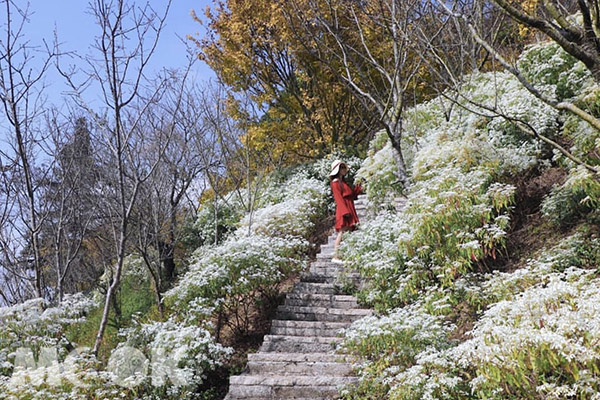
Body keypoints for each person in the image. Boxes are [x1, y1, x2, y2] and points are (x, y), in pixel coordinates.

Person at [329, 160, 362, 263]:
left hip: (349, 206)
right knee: (342, 232)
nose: (344, 170)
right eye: (342, 168)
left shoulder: (343, 182)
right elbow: (338, 198)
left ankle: (345, 256)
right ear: (337, 170)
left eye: (344, 167)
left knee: (348, 232)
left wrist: (358, 187)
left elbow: (351, 195)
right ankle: (336, 256)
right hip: (344, 208)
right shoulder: (335, 183)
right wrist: (345, 211)